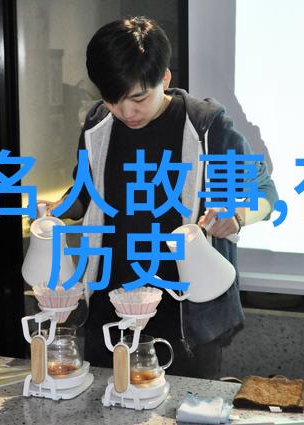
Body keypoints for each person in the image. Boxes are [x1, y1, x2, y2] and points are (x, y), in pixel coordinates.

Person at [40, 17, 278, 379]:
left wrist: (238, 216)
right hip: (111, 305)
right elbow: (85, 193)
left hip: (185, 314)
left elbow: (264, 192)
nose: (126, 112)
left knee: (183, 404)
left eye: (138, 98)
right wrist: (57, 210)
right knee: (105, 401)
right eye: (113, 99)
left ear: (164, 78)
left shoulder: (206, 125)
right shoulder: (98, 124)